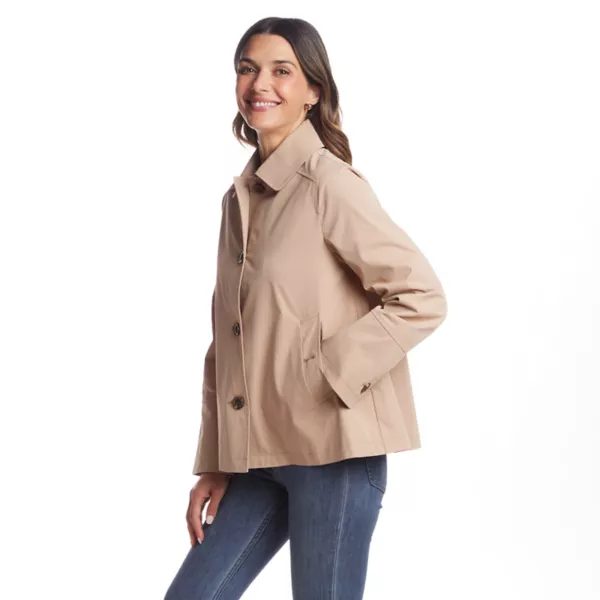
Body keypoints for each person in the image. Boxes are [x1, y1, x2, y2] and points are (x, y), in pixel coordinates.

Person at [164, 16, 448, 600]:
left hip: (334, 453)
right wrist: (215, 461)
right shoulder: (239, 201)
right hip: (259, 456)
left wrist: (327, 374)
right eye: (247, 69)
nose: (259, 84)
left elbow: (421, 295)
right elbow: (228, 339)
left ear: (313, 90)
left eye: (281, 71)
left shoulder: (328, 184)